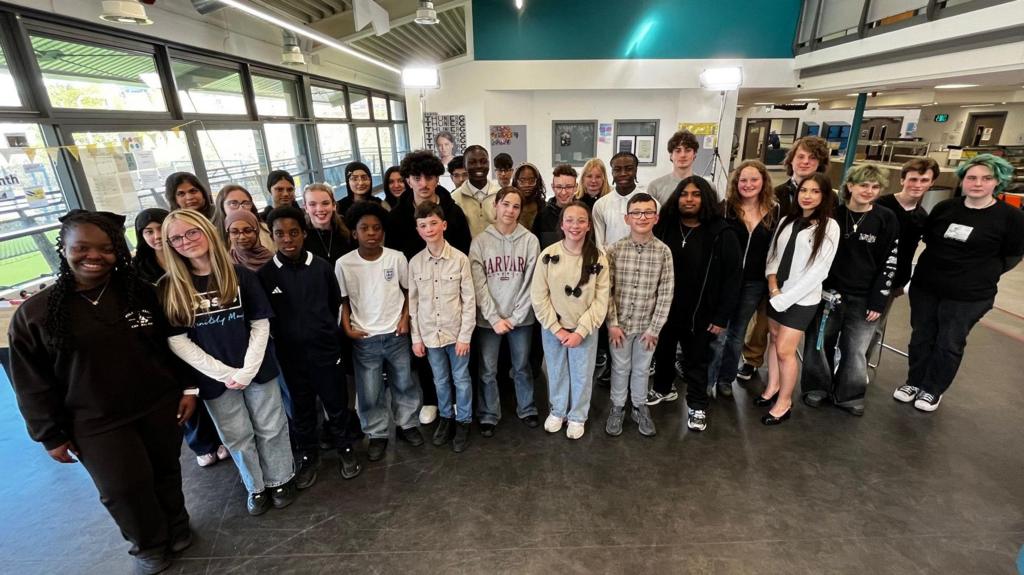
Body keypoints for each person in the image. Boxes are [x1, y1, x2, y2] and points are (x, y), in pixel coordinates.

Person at [9, 209, 198, 575]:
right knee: (123, 488)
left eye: (105, 248)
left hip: (158, 404)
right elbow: (31, 382)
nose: (94, 256)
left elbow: (172, 344)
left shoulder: (141, 293)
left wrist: (188, 388)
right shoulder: (35, 314)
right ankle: (148, 544)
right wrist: (50, 435)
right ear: (63, 248)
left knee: (166, 471)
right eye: (81, 247)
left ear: (118, 252)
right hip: (94, 420)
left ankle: (177, 526)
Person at [160, 209, 296, 515]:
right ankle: (256, 486)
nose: (186, 241)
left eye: (192, 232)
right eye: (176, 238)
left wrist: (247, 370)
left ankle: (280, 479)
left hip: (258, 369)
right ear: (169, 245)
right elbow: (177, 340)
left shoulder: (240, 275)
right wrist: (224, 373)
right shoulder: (170, 287)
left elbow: (261, 323)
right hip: (216, 380)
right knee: (236, 435)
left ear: (207, 232)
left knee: (271, 426)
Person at [895, 154, 1024, 412]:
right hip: (927, 286)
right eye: (972, 177)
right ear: (963, 180)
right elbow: (931, 241)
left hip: (969, 294)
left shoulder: (1011, 217)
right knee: (922, 336)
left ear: (997, 182)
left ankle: (932, 389)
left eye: (986, 178)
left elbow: (1011, 257)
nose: (978, 183)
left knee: (949, 341)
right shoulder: (946, 208)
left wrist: (980, 273)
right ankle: (914, 381)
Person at [257, 206, 363, 485]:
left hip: (325, 352)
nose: (288, 239)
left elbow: (333, 304)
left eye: (293, 233)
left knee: (336, 403)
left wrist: (326, 332)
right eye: (280, 234)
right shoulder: (266, 274)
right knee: (302, 409)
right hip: (291, 357)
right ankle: (308, 455)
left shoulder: (321, 267)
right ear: (272, 236)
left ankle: (345, 448)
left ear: (303, 233)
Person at [801, 164, 899, 416]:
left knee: (855, 349)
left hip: (865, 297)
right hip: (828, 294)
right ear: (850, 186)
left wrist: (878, 301)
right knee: (819, 343)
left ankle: (850, 394)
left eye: (875, 187)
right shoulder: (833, 215)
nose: (869, 190)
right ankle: (817, 387)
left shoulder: (885, 219)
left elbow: (889, 262)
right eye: (864, 185)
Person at [134, 208, 229, 469]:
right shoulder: (143, 273)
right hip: (174, 343)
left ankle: (220, 440)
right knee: (188, 399)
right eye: (148, 232)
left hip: (206, 341)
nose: (156, 237)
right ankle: (203, 444)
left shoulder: (200, 262)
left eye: (159, 230)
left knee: (213, 397)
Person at [649, 177, 741, 432]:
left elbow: (733, 279)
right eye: (684, 194)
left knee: (697, 361)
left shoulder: (722, 233)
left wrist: (722, 317)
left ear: (706, 199)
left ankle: (697, 405)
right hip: (665, 308)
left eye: (696, 194)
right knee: (664, 353)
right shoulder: (665, 227)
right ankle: (662, 389)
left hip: (701, 313)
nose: (689, 199)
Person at [387, 150, 472, 425]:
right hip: (415, 289)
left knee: (458, 365)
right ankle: (433, 401)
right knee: (426, 355)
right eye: (416, 177)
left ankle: (461, 408)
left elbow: (464, 250)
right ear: (408, 180)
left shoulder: (453, 211)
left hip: (450, 291)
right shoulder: (398, 216)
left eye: (429, 177)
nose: (423, 183)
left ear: (437, 179)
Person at [738, 136, 830, 382]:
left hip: (804, 277)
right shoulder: (776, 194)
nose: (805, 162)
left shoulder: (828, 197)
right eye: (801, 156)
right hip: (768, 270)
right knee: (761, 325)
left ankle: (797, 383)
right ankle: (752, 360)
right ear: (791, 159)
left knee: (787, 338)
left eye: (812, 158)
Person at [337, 201, 423, 461]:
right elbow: (342, 301)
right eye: (365, 228)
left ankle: (407, 424)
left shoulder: (396, 258)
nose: (371, 233)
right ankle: (376, 433)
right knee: (369, 390)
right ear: (355, 233)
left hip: (396, 333)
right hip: (365, 338)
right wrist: (348, 329)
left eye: (377, 228)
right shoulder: (344, 264)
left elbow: (409, 292)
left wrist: (405, 319)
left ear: (383, 232)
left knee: (404, 383)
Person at [758, 173, 840, 426]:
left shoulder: (829, 227)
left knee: (785, 350)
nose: (808, 196)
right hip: (777, 293)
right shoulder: (786, 221)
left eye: (815, 191)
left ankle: (784, 402)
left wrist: (785, 298)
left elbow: (819, 272)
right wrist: (773, 287)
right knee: (773, 340)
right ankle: (772, 388)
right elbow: (773, 255)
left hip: (802, 300)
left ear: (824, 196)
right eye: (804, 190)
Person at [531, 202, 610, 440]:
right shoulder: (548, 255)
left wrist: (580, 331)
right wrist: (556, 328)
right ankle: (558, 411)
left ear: (588, 226)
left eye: (581, 221)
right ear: (562, 225)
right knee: (556, 371)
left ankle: (577, 415)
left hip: (583, 330)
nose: (575, 225)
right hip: (553, 329)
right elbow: (538, 296)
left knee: (582, 374)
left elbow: (600, 300)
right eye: (570, 220)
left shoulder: (598, 258)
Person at [470, 187, 541, 433]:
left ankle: (528, 407)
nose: (510, 210)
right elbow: (478, 284)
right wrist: (494, 317)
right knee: (488, 369)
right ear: (495, 206)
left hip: (521, 319)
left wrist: (515, 317)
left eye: (516, 206)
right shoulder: (479, 242)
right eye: (506, 204)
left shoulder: (530, 241)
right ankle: (489, 413)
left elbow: (532, 282)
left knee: (521, 367)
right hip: (488, 321)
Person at [604, 193, 674, 437]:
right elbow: (607, 291)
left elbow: (665, 293)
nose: (641, 217)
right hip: (620, 326)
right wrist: (612, 323)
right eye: (636, 212)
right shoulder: (614, 251)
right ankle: (617, 406)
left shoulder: (663, 252)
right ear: (627, 218)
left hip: (647, 328)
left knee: (642, 368)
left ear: (656, 218)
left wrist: (654, 328)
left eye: (647, 212)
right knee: (620, 367)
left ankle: (639, 406)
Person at [409, 202, 476, 452]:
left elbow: (469, 300)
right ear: (418, 230)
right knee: (440, 380)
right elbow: (412, 304)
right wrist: (416, 338)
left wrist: (465, 336)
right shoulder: (415, 263)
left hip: (456, 334)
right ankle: (446, 417)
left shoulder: (460, 259)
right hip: (430, 335)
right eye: (423, 225)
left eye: (434, 223)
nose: (429, 229)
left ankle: (464, 420)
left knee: (461, 379)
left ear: (444, 225)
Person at [707, 161, 777, 398]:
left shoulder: (774, 210)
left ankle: (726, 379)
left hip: (754, 283)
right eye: (743, 180)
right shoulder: (725, 208)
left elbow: (775, 250)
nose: (748, 185)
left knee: (737, 334)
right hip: (724, 281)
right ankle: (708, 379)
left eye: (753, 179)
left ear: (763, 181)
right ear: (736, 183)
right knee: (718, 333)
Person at [875, 157, 939, 298]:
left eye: (924, 180)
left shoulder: (922, 216)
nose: (918, 185)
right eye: (913, 179)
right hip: (870, 276)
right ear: (902, 180)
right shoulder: (880, 205)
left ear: (932, 183)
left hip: (896, 280)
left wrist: (902, 282)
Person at [593, 152, 652, 249]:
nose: (623, 173)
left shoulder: (650, 203)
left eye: (628, 169)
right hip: (609, 261)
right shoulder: (601, 204)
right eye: (617, 169)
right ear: (612, 172)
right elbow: (599, 243)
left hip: (641, 261)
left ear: (636, 171)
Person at [452, 145, 500, 238]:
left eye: (483, 162)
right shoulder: (454, 199)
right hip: (467, 251)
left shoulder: (501, 195)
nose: (479, 166)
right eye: (472, 162)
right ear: (465, 166)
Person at [302, 182, 352, 266]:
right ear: (306, 208)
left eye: (325, 203)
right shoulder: (301, 236)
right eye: (312, 204)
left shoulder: (347, 228)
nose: (320, 209)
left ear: (333, 205)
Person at [214, 184, 274, 251]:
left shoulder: (265, 229)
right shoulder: (213, 236)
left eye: (246, 203)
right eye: (233, 203)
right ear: (221, 206)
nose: (241, 209)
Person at [647, 130, 699, 206]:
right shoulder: (655, 187)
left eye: (688, 150)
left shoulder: (708, 186)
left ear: (694, 154)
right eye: (678, 151)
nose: (683, 155)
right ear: (671, 155)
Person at [535, 164, 578, 250]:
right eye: (559, 187)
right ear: (553, 187)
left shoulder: (584, 214)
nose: (563, 192)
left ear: (576, 187)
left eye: (568, 187)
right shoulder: (542, 216)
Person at [512, 162, 547, 231]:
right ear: (516, 182)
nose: (527, 185)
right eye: (522, 181)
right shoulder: (510, 206)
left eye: (532, 180)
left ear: (537, 182)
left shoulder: (544, 206)